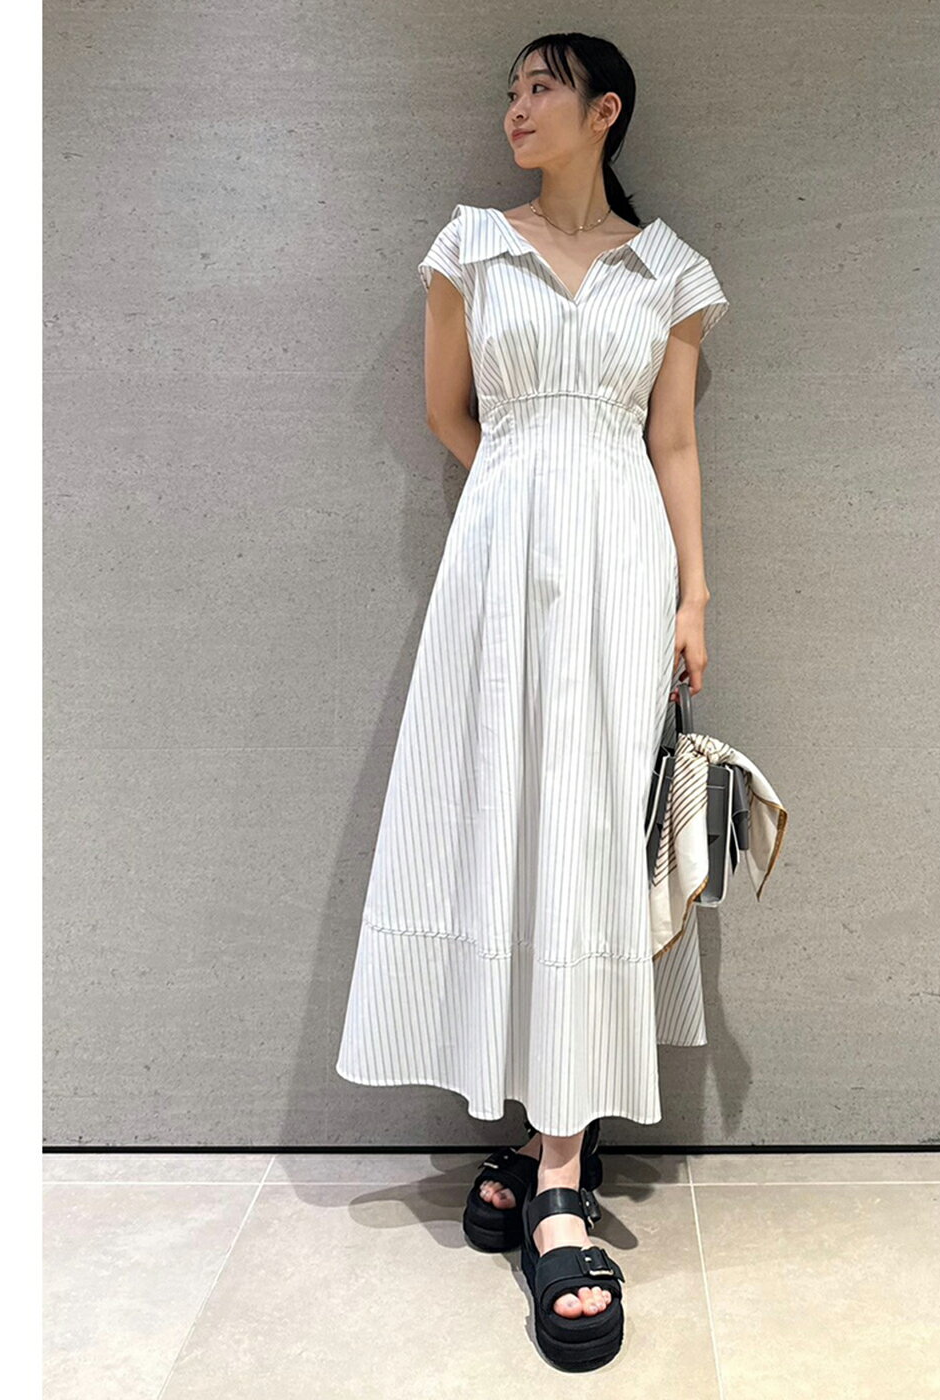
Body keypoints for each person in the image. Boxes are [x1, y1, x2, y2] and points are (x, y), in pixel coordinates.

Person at [335, 31, 729, 1370]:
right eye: (508, 90)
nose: (515, 107)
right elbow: (449, 412)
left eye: (540, 87)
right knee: (501, 824)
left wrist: (691, 596)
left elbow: (674, 438)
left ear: (603, 110)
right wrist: (522, 484)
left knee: (588, 834)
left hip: (624, 569)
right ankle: (540, 1134)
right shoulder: (469, 248)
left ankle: (558, 1172)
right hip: (497, 568)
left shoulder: (667, 271)